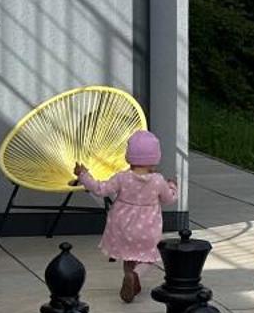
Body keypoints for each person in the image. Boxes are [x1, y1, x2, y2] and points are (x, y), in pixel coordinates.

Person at [74, 129, 178, 301]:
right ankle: (135, 277)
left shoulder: (122, 178)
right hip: (147, 229)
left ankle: (129, 279)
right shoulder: (158, 180)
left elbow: (100, 190)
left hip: (122, 227)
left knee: (128, 255)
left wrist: (83, 175)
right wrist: (173, 186)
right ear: (154, 161)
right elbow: (169, 199)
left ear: (129, 158)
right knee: (148, 257)